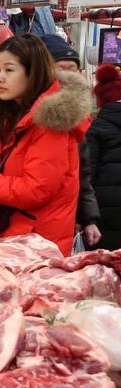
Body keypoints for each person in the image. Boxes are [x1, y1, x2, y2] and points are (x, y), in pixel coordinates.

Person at [0, 33, 92, 256]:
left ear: (32, 72)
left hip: (39, 243)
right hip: (22, 236)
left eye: (9, 70)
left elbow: (36, 190)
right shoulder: (16, 114)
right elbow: (19, 165)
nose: (0, 78)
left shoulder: (49, 122)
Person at [40, 34, 102, 247]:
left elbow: (81, 173)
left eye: (72, 68)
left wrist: (89, 219)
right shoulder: (27, 113)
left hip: (63, 225)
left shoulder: (78, 118)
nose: (68, 75)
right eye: (61, 67)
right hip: (28, 224)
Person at [87, 64, 121, 250]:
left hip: (104, 213)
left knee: (108, 270)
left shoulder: (96, 128)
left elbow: (87, 174)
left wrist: (85, 218)